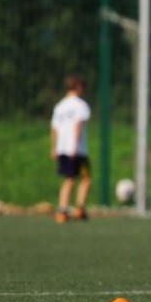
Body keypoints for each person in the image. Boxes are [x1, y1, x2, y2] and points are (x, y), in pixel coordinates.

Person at [50, 74, 92, 223]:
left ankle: (63, 211)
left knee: (69, 179)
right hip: (77, 149)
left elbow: (54, 128)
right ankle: (78, 208)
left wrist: (54, 147)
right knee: (86, 178)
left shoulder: (60, 106)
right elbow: (78, 125)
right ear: (78, 87)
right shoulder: (81, 105)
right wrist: (74, 145)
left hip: (62, 148)